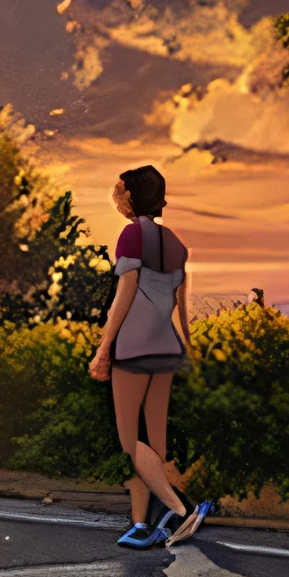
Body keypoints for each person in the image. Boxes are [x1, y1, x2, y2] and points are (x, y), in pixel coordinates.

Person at [88, 165, 211, 548]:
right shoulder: (175, 242)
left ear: (132, 196)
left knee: (129, 443)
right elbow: (181, 303)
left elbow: (123, 296)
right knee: (153, 446)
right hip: (166, 347)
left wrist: (103, 348)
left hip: (134, 346)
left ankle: (179, 510)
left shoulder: (130, 236)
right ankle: (142, 524)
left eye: (119, 188)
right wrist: (188, 347)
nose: (114, 195)